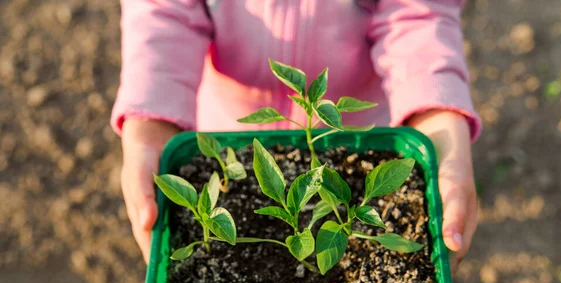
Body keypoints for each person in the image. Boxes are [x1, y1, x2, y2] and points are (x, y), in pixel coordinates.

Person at [112, 0, 480, 268]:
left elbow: (417, 15)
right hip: (231, 130)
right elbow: (163, 12)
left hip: (351, 134)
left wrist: (436, 116)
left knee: (360, 206)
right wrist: (151, 123)